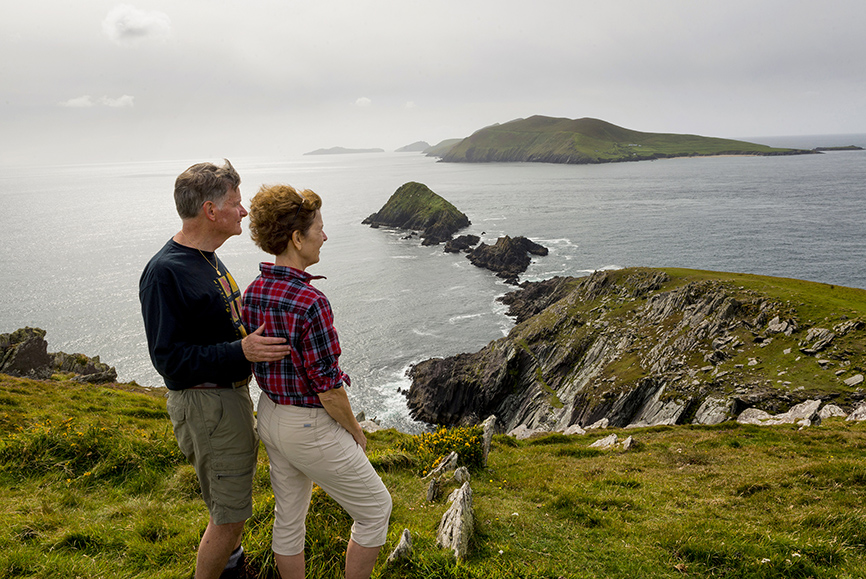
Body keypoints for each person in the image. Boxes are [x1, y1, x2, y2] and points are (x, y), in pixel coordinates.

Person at [139, 160, 292, 579]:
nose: (244, 212)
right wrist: (242, 350)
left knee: (234, 504)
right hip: (207, 403)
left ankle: (233, 570)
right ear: (210, 210)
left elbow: (226, 322)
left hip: (226, 398)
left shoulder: (207, 258)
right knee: (228, 515)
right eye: (236, 203)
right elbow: (169, 360)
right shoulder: (165, 272)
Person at [242, 184, 392, 579]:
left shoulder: (252, 292)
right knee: (376, 509)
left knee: (289, 519)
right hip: (307, 426)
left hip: (270, 415)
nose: (324, 236)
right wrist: (355, 429)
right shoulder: (311, 302)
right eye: (319, 229)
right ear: (297, 238)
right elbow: (326, 385)